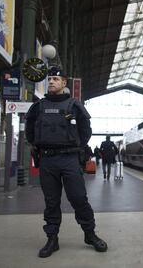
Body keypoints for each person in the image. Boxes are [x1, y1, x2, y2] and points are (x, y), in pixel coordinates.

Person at [25, 66, 107, 258]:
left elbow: (86, 132)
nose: (51, 81)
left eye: (55, 79)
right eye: (50, 79)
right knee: (51, 202)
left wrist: (75, 147)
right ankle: (52, 239)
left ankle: (90, 234)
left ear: (64, 83)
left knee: (79, 198)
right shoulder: (38, 106)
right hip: (47, 160)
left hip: (69, 159)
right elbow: (30, 131)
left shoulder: (75, 106)